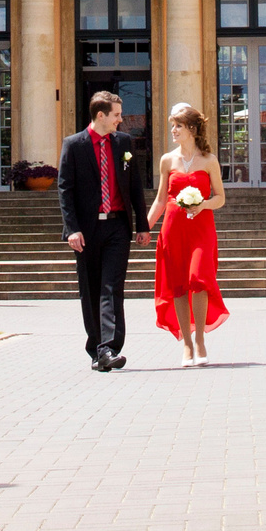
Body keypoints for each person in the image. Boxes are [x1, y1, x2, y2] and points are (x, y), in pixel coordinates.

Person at [60, 89, 152, 372]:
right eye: (116, 115)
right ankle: (97, 350)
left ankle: (109, 348)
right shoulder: (73, 145)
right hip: (86, 230)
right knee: (90, 289)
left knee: (112, 287)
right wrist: (72, 229)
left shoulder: (123, 142)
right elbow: (65, 190)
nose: (120, 120)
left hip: (117, 226)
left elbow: (134, 186)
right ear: (100, 115)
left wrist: (142, 225)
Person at [149, 102, 229, 365]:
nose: (173, 130)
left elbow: (220, 198)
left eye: (178, 126)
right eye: (173, 125)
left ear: (192, 129)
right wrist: (144, 228)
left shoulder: (209, 160)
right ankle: (186, 343)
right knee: (179, 285)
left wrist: (202, 204)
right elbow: (161, 200)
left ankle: (200, 340)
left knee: (199, 278)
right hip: (173, 228)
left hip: (201, 228)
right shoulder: (167, 160)